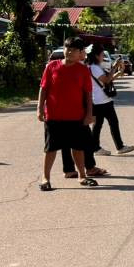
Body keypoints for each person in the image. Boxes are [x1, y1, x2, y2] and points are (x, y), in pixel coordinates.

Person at [37, 36, 98, 190]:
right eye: (67, 49)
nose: (69, 52)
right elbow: (43, 89)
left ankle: (82, 176)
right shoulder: (52, 66)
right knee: (50, 148)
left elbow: (88, 95)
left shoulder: (83, 70)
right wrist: (39, 108)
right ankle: (45, 178)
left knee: (78, 148)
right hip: (53, 116)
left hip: (76, 116)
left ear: (80, 53)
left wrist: (89, 114)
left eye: (73, 50)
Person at [87, 43, 134, 161]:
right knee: (101, 125)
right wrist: (114, 66)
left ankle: (115, 146)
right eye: (102, 53)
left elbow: (107, 79)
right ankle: (100, 148)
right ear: (96, 55)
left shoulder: (96, 66)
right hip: (99, 101)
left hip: (103, 100)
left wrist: (118, 72)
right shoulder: (94, 67)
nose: (103, 55)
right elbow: (107, 79)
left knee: (108, 124)